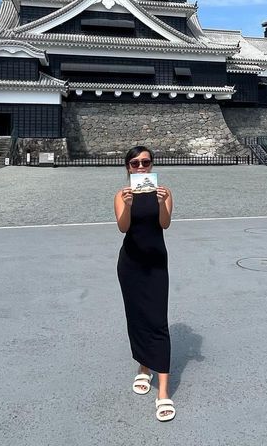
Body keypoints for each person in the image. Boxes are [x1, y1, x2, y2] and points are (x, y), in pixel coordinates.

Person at [113, 146, 175, 422]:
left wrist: (162, 202)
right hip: (131, 264)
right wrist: (126, 205)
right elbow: (123, 227)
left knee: (158, 320)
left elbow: (165, 224)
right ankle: (143, 367)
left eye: (145, 163)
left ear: (152, 165)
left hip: (156, 264)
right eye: (135, 163)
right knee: (137, 317)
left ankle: (163, 391)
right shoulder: (121, 194)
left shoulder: (165, 192)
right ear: (127, 167)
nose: (141, 168)